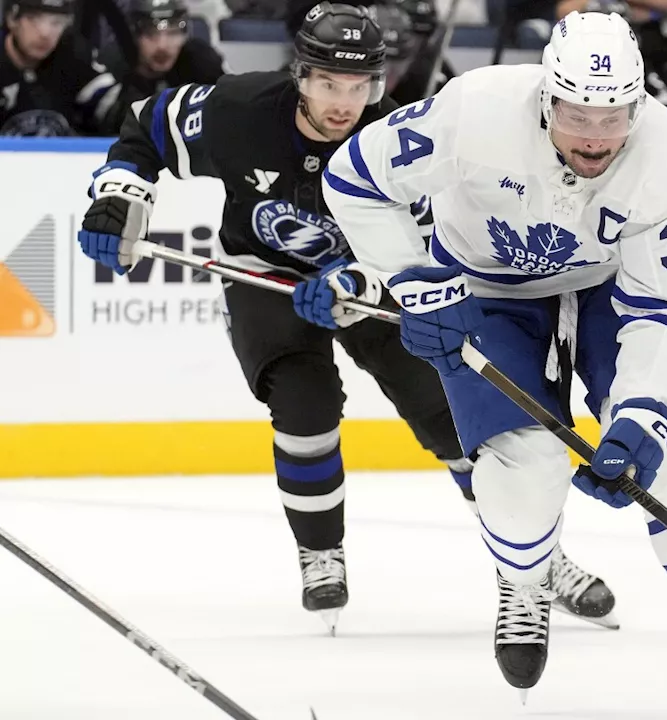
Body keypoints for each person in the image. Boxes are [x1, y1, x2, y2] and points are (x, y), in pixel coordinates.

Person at [75, 2, 617, 635]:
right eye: (329, 83)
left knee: (451, 419)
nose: (344, 102)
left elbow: (423, 243)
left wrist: (358, 278)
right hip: (265, 275)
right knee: (304, 403)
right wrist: (121, 195)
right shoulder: (239, 109)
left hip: (372, 284)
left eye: (359, 86)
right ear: (300, 74)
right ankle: (319, 552)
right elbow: (148, 126)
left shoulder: (395, 141)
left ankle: (537, 561)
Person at [321, 10, 667, 715]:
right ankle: (524, 582)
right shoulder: (475, 110)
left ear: (638, 104)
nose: (596, 137)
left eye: (614, 116)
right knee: (523, 460)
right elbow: (354, 177)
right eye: (578, 113)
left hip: (608, 288)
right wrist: (415, 282)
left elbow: (666, 311)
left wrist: (641, 414)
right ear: (546, 96)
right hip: (483, 288)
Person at [0, 0, 123, 135]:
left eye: (56, 22)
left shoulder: (73, 55)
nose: (45, 33)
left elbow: (113, 107)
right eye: (33, 18)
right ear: (12, 19)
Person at [102, 0, 226, 118]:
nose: (162, 45)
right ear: (133, 36)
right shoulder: (110, 69)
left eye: (173, 32)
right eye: (150, 33)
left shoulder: (203, 64)